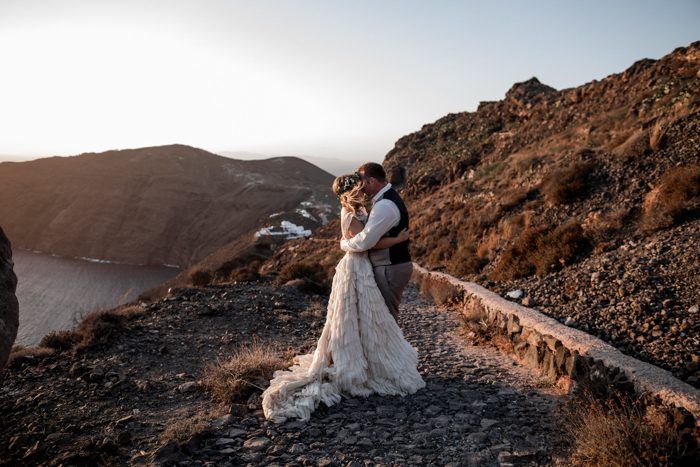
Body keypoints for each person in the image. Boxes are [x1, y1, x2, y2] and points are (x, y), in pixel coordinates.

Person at [261, 171, 425, 424]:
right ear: (351, 192)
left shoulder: (360, 211)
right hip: (356, 266)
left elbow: (365, 239)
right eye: (359, 188)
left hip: (361, 266)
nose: (363, 191)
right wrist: (396, 239)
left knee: (364, 315)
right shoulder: (352, 213)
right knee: (360, 314)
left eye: (363, 186)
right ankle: (366, 362)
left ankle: (369, 358)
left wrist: (348, 242)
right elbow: (367, 243)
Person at [340, 162, 413, 321]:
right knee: (383, 319)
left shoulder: (385, 205)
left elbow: (366, 241)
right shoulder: (383, 200)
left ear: (371, 181)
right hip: (389, 266)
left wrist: (344, 244)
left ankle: (391, 346)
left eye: (362, 183)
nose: (360, 188)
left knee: (386, 320)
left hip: (389, 267)